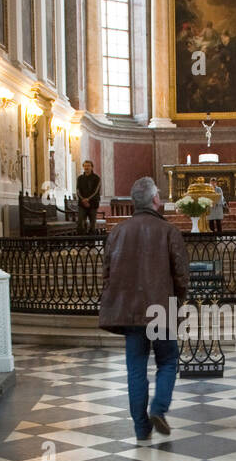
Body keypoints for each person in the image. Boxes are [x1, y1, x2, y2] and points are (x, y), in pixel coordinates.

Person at [98, 176, 189, 441]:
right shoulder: (168, 231)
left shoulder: (118, 232)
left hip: (130, 312)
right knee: (168, 361)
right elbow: (181, 274)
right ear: (155, 200)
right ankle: (158, 409)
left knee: (136, 368)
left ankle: (141, 428)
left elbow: (106, 272)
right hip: (161, 310)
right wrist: (178, 300)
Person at [76, 160, 101, 235]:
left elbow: (96, 191)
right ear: (83, 167)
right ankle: (82, 243)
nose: (86, 167)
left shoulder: (97, 178)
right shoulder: (79, 178)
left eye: (88, 166)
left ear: (92, 167)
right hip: (82, 204)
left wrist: (88, 199)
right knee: (80, 223)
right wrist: (83, 200)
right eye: (85, 166)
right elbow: (78, 190)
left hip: (93, 204)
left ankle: (91, 244)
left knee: (92, 224)